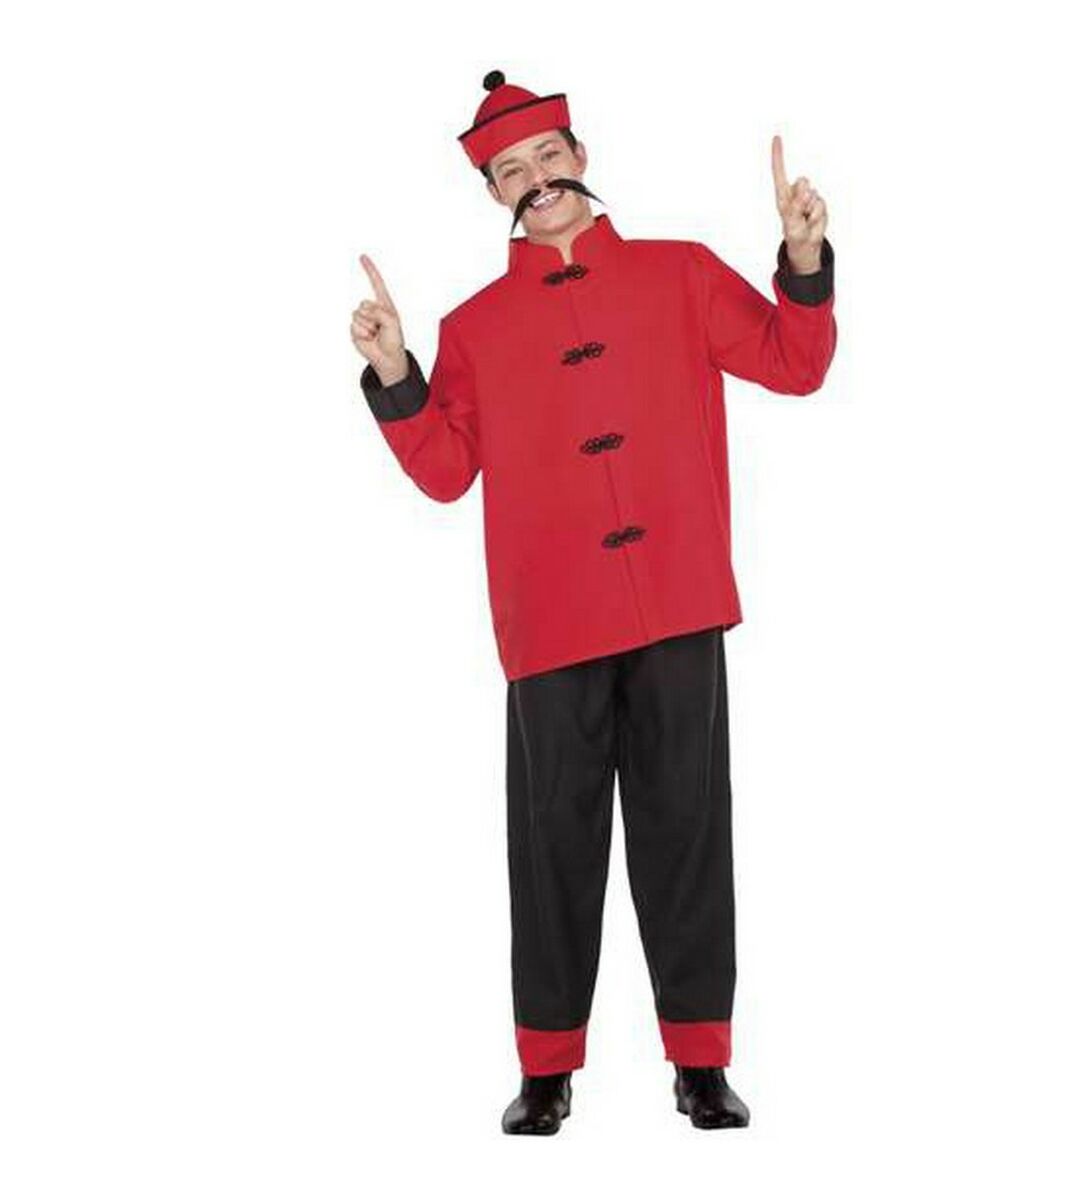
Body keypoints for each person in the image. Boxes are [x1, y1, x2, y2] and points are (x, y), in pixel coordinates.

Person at [349, 69, 837, 1134]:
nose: (534, 180)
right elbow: (446, 473)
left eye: (546, 157)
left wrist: (803, 259)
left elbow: (794, 364)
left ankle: (700, 1064)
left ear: (580, 157)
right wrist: (396, 372)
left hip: (678, 600)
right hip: (550, 619)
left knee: (688, 835)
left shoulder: (680, 273)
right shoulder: (474, 327)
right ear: (492, 193)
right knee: (552, 849)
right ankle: (546, 1071)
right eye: (508, 171)